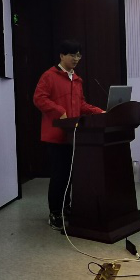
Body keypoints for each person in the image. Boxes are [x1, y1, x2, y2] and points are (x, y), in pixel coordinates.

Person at [33, 40, 104, 230]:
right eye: (72, 54)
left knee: (70, 176)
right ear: (62, 55)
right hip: (56, 135)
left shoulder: (77, 80)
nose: (76, 58)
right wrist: (59, 111)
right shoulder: (49, 75)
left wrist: (99, 112)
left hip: (74, 135)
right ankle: (55, 213)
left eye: (79, 55)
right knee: (59, 176)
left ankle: (66, 208)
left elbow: (81, 105)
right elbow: (39, 98)